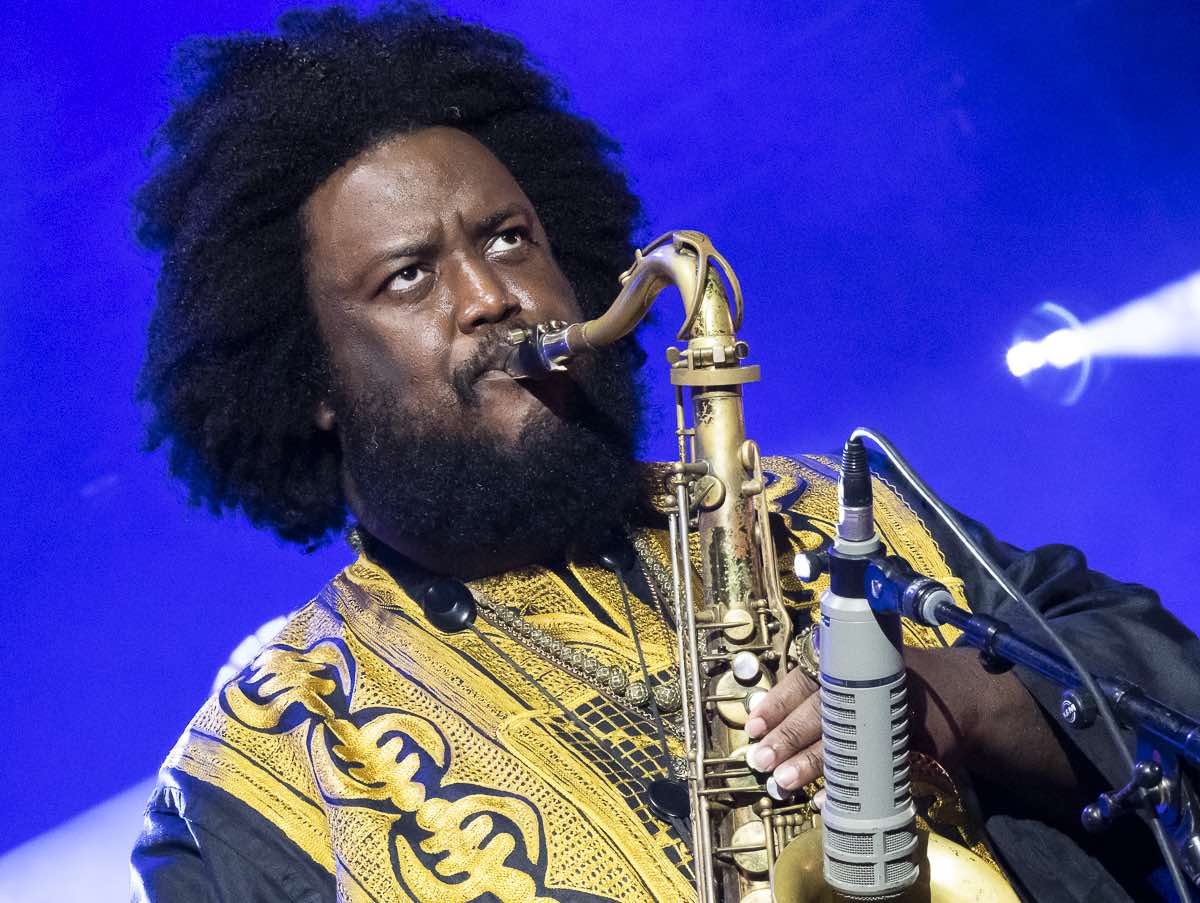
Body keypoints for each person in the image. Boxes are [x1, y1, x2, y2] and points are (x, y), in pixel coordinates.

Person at [129, 5, 1200, 902]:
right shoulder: (257, 774)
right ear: (307, 379)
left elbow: (1165, 682)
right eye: (408, 276)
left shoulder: (823, 506)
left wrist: (960, 697)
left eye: (509, 237)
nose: (493, 295)